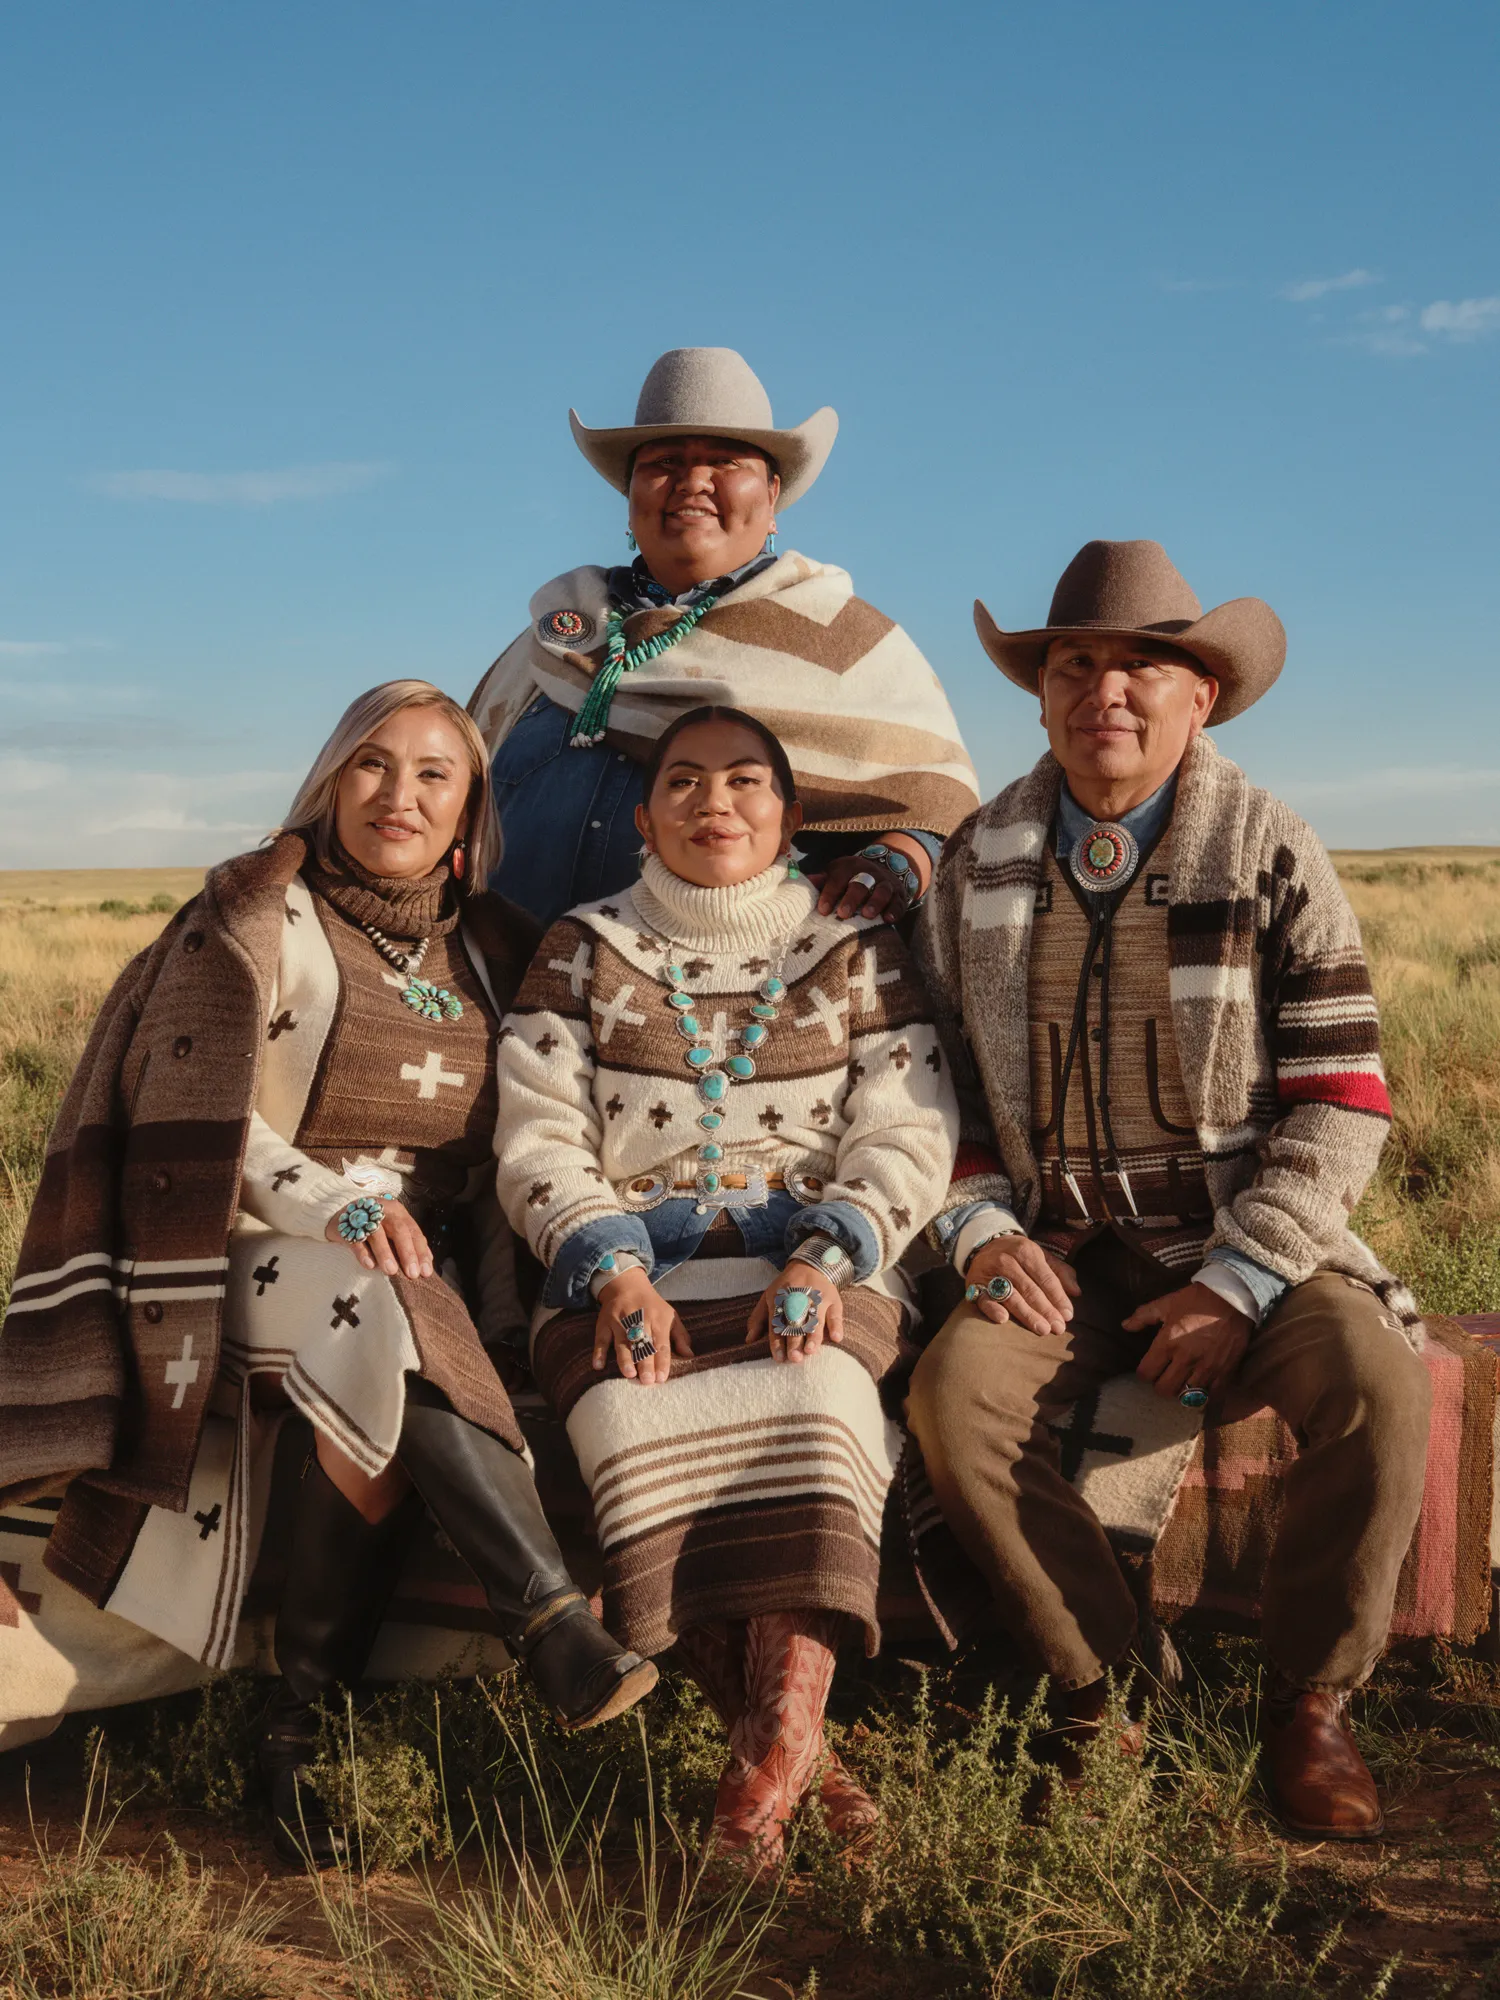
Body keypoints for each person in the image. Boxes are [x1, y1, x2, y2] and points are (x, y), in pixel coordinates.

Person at [0, 681, 656, 1865]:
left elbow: (504, 1161)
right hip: (239, 1245)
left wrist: (510, 1319)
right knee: (373, 1299)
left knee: (382, 1344)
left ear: (470, 809)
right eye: (371, 764)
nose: (397, 793)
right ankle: (548, 1613)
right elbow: (199, 1115)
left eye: (432, 773)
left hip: (419, 1279)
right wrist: (337, 1201)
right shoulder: (255, 914)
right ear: (328, 780)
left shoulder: (498, 947)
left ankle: (300, 1729)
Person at [907, 540, 1430, 1840]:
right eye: (1076, 664)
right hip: (1061, 1248)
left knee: (1376, 1383)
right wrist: (975, 1228)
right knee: (953, 1400)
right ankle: (1104, 1696)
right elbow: (934, 1087)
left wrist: (1240, 1283)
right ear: (1039, 696)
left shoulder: (1269, 851)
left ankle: (1310, 1704)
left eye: (1146, 665)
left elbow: (1341, 1096)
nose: (1108, 692)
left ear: (1203, 696)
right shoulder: (979, 862)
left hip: (1247, 1233)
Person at [494, 704, 958, 1871]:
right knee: (626, 1414)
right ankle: (808, 1766)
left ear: (791, 815)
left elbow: (908, 1126)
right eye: (686, 783)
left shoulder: (850, 948)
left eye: (746, 782)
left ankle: (758, 1788)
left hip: (816, 1259)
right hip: (620, 1274)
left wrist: (826, 1254)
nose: (716, 804)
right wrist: (609, 1268)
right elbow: (540, 1135)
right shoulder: (582, 943)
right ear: (643, 814)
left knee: (818, 1405)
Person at [468, 346, 978, 933]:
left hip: (723, 1006)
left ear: (773, 497)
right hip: (499, 990)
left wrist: (888, 863)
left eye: (727, 462)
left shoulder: (847, 642)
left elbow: (933, 808)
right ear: (630, 498)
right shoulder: (556, 634)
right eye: (664, 461)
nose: (693, 481)